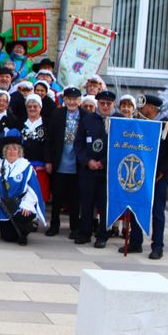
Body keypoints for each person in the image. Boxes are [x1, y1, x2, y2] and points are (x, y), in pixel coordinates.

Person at [122, 94, 168, 260]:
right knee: (135, 207)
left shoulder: (166, 124)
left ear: (152, 108)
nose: (140, 109)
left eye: (143, 106)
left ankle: (157, 246)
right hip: (139, 174)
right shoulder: (138, 122)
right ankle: (135, 241)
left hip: (158, 177)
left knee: (157, 211)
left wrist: (162, 170)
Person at [0, 129, 46, 245]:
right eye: (9, 149)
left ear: (20, 151)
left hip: (20, 205)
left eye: (15, 149)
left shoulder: (26, 167)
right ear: (4, 151)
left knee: (24, 217)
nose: (12, 151)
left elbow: (32, 189)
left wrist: (27, 205)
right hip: (3, 206)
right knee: (8, 237)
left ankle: (24, 231)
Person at [74, 90, 115, 247]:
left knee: (104, 204)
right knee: (86, 203)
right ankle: (84, 233)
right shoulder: (88, 119)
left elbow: (119, 147)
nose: (105, 106)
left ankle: (102, 235)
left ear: (113, 105)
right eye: (102, 103)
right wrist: (87, 160)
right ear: (97, 104)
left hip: (107, 170)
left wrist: (103, 162)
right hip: (88, 169)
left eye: (108, 103)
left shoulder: (118, 120)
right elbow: (79, 143)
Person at [44, 86, 82, 238]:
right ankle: (54, 225)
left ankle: (74, 227)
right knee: (57, 197)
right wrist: (48, 160)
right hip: (59, 161)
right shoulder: (57, 114)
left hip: (77, 164)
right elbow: (49, 139)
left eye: (75, 99)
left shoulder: (85, 116)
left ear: (79, 101)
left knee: (75, 199)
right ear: (64, 100)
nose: (72, 102)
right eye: (69, 99)